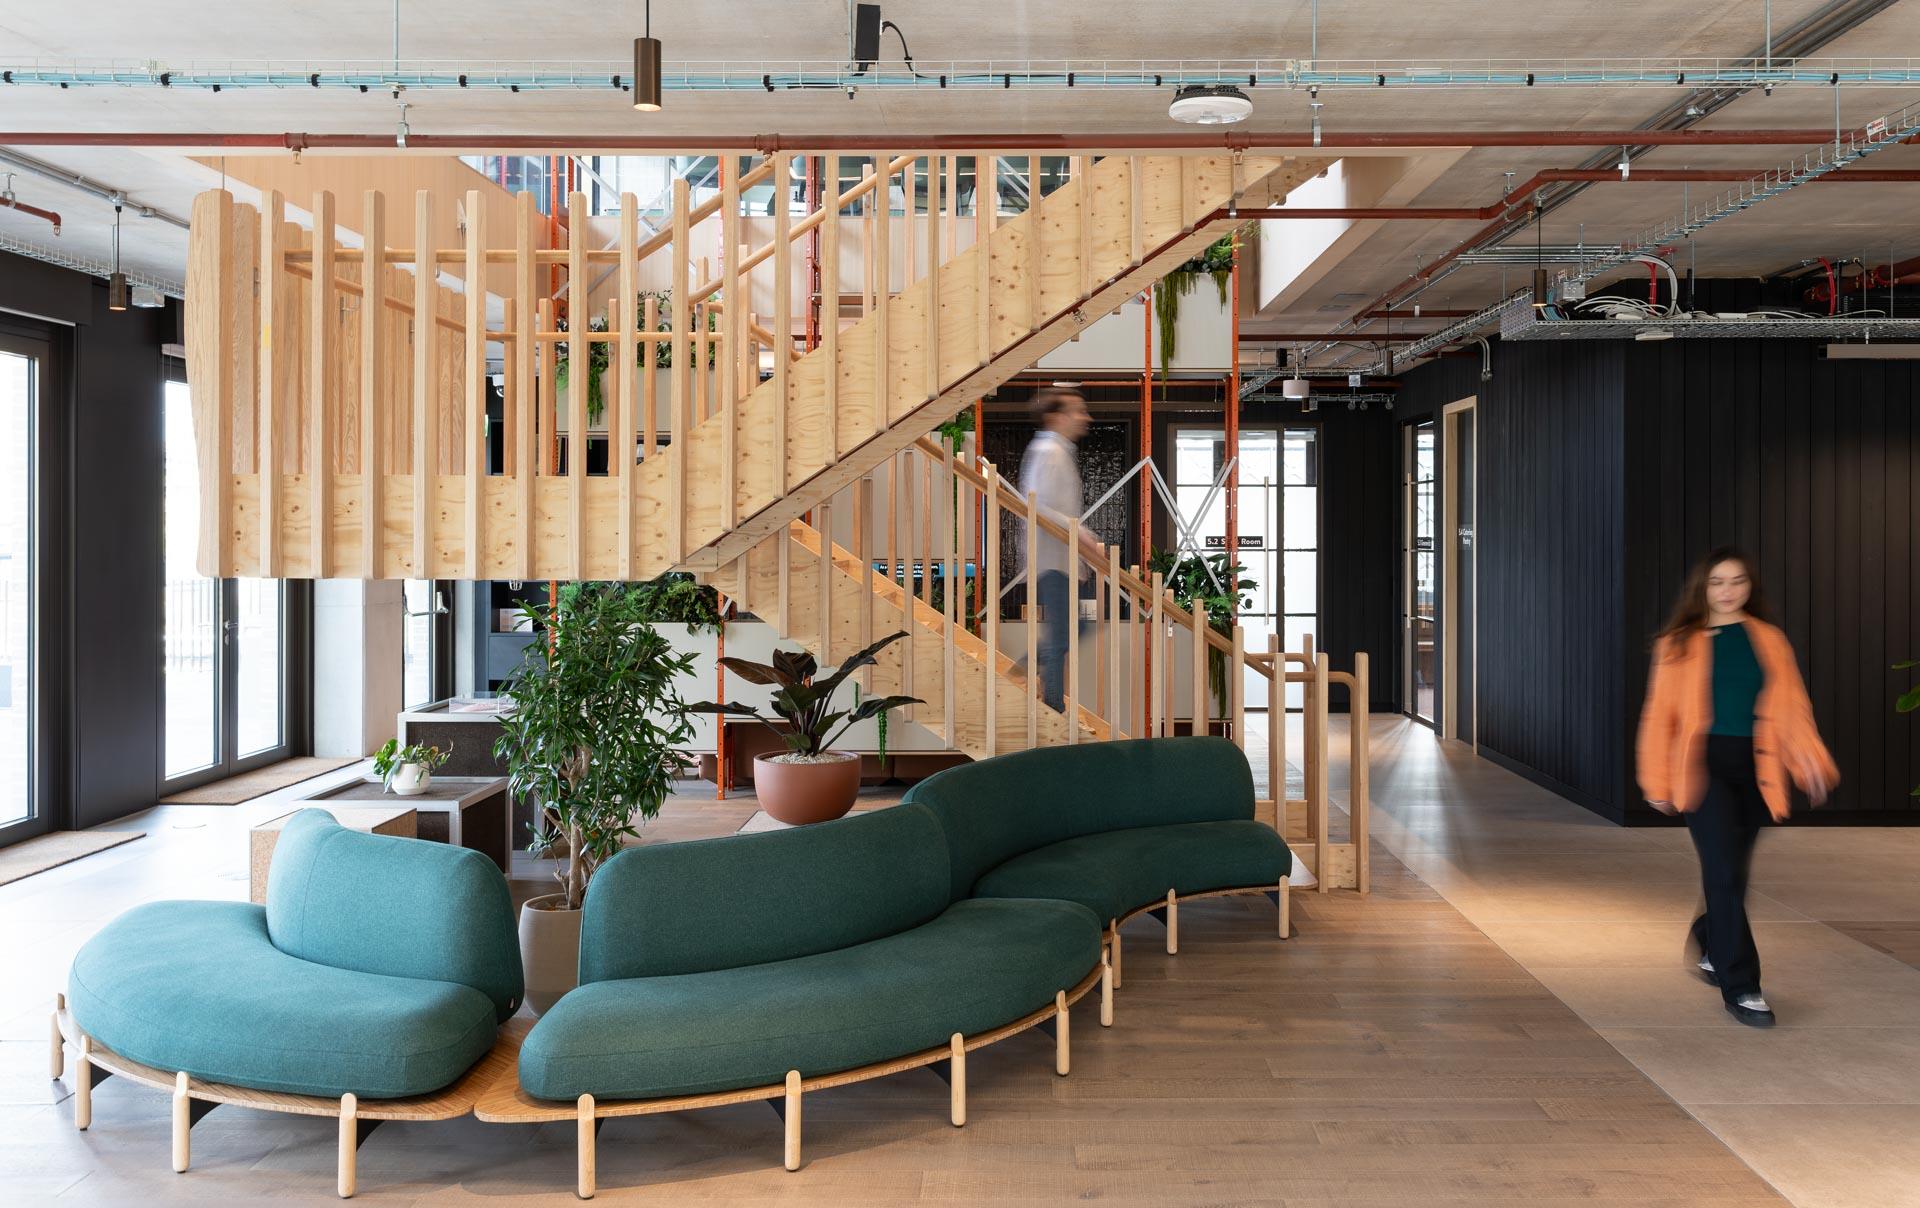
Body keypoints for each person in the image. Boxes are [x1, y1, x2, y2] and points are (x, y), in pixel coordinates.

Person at [1636, 547, 1837, 1028]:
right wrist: (1655, 779)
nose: (1728, 591)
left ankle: (1710, 937)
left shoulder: (1769, 639)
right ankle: (1742, 984)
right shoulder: (1677, 643)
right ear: (1702, 588)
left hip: (1757, 771)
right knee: (1723, 872)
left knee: (1733, 874)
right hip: (1703, 770)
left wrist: (1809, 761)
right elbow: (1660, 716)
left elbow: (1793, 708)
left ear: (1750, 587)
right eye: (1717, 582)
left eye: (1737, 581)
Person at [1018, 385, 1106, 711]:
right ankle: (1053, 707)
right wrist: (1083, 536)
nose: (1086, 417)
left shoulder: (1057, 451)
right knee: (1061, 636)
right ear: (1057, 417)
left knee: (1072, 629)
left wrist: (1081, 543)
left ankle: (1025, 671)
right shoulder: (1048, 451)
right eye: (1078, 411)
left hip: (1060, 559)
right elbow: (1039, 507)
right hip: (1051, 560)